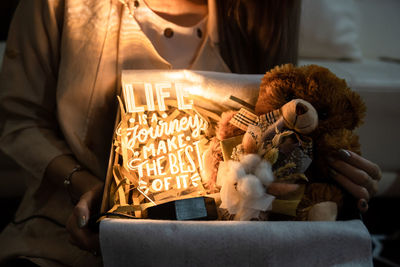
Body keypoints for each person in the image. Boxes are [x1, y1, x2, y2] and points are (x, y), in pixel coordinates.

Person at [0, 0, 381, 266]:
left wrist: (327, 174)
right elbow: (20, 119)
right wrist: (85, 185)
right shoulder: (63, 6)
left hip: (219, 245)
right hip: (62, 239)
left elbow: (279, 138)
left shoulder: (263, 11)